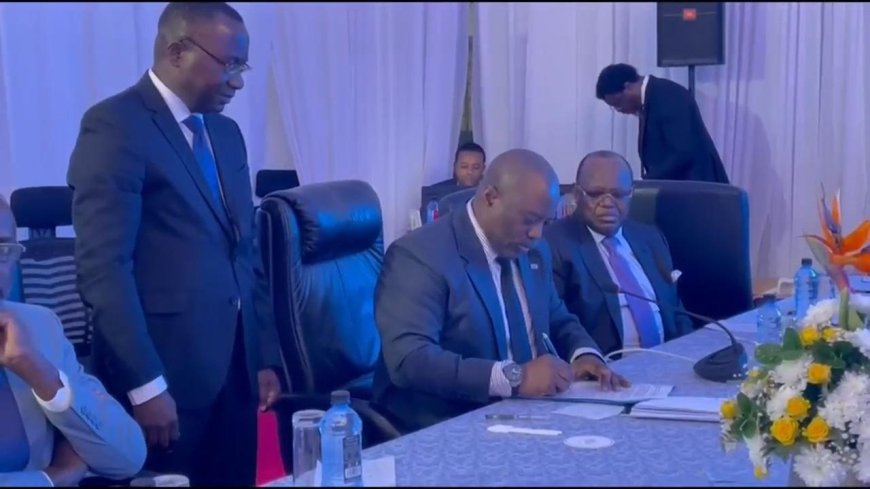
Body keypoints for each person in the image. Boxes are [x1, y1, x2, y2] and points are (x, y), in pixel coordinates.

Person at [66, 3, 281, 485]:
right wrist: (144, 385)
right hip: (164, 380)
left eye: (243, 67)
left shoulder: (226, 133)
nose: (237, 82)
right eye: (229, 64)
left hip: (235, 375)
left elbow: (244, 252)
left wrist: (263, 355)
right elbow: (104, 270)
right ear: (177, 52)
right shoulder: (115, 126)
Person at [373, 148, 630, 432]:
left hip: (532, 413)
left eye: (544, 222)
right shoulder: (420, 255)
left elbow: (556, 316)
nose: (537, 234)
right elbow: (411, 360)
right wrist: (516, 378)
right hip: (450, 421)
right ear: (491, 198)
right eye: (529, 220)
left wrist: (583, 354)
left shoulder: (533, 249)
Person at [0, 195, 146, 487]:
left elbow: (128, 457)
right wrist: (51, 478)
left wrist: (41, 374)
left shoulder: (38, 325)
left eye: (3, 250)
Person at [544, 150, 694, 357]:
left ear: (631, 194)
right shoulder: (553, 244)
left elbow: (676, 311)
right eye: (596, 194)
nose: (607, 203)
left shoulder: (650, 238)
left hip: (668, 361)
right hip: (607, 368)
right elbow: (556, 324)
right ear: (577, 194)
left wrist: (690, 352)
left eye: (618, 194)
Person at [595, 63, 729, 184]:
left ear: (628, 87)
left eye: (618, 103)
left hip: (698, 187)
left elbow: (683, 152)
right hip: (682, 187)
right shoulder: (653, 97)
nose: (619, 110)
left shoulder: (667, 95)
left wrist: (645, 182)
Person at [420, 142, 487, 222]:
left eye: (476, 167)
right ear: (455, 167)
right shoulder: (435, 193)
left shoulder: (489, 193)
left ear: (483, 169)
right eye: (464, 166)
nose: (470, 172)